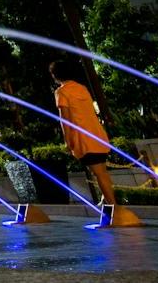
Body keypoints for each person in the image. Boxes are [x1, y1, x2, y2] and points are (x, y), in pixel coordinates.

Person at [50, 59, 117, 207]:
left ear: (55, 75)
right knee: (101, 171)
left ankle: (113, 207)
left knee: (99, 173)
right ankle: (106, 200)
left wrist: (68, 141)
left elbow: (65, 120)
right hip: (98, 134)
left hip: (84, 139)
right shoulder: (82, 88)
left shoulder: (61, 92)